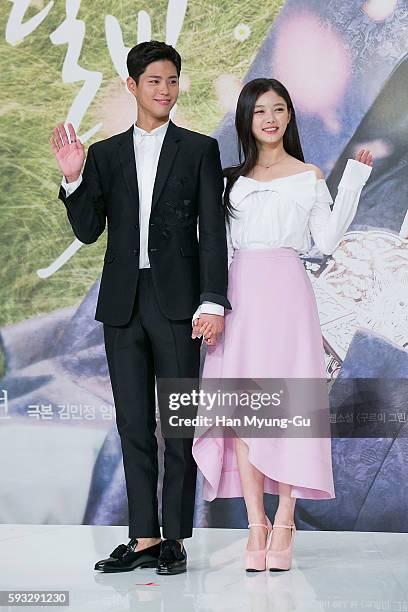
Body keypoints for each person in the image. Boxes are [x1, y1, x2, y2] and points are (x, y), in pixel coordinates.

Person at [50, 40, 231, 575]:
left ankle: (175, 537)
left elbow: (212, 235)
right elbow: (87, 231)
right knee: (132, 423)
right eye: (154, 81)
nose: (165, 90)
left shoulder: (199, 150)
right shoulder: (104, 154)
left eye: (172, 80)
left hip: (179, 306)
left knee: (178, 422)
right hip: (124, 305)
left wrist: (213, 300)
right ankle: (144, 538)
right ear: (132, 87)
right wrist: (74, 177)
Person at [191, 78, 373, 572]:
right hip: (239, 297)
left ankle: (286, 519)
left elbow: (328, 239)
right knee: (245, 410)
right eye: (259, 112)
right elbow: (216, 250)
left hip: (289, 295)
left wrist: (352, 181)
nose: (269, 118)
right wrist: (211, 307)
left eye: (278, 109)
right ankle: (256, 523)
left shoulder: (308, 174)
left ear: (290, 116)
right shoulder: (230, 180)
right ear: (246, 120)